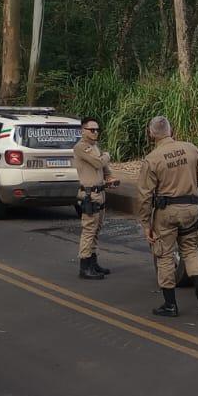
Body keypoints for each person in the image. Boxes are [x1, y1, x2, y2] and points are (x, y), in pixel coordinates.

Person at [136, 115, 198, 317]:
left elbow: (144, 196)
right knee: (191, 250)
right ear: (171, 130)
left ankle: (170, 305)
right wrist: (188, 187)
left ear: (152, 134)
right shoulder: (190, 148)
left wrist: (145, 224)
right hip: (191, 208)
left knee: (164, 255)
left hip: (166, 213)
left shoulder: (152, 159)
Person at [72, 117, 116, 280]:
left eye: (97, 130)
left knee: (96, 230)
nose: (95, 132)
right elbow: (98, 163)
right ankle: (84, 266)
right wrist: (107, 155)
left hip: (100, 192)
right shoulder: (81, 147)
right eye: (92, 130)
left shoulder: (95, 147)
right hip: (90, 195)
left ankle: (93, 261)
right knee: (89, 230)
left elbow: (104, 168)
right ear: (83, 131)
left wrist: (110, 178)